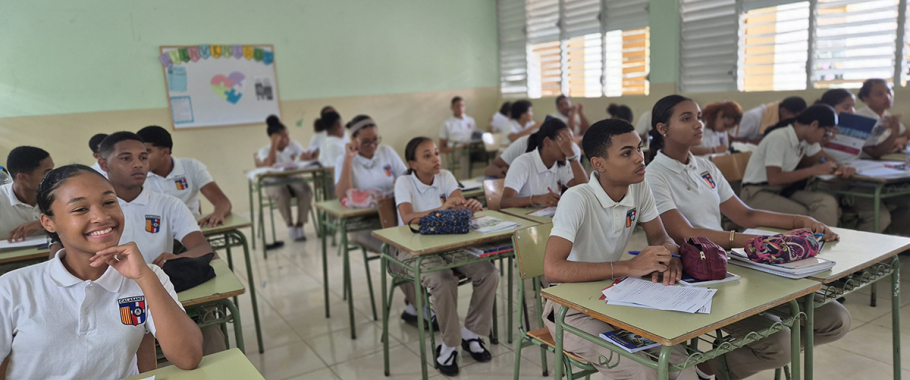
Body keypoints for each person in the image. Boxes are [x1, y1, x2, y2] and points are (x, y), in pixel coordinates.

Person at [645, 94, 850, 379]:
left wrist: (799, 221)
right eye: (686, 118)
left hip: (730, 262)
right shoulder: (653, 175)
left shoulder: (706, 166)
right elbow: (687, 235)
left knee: (835, 320)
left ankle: (728, 356)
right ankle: (704, 369)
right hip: (695, 272)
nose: (698, 124)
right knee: (778, 343)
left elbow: (746, 216)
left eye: (699, 117)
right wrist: (756, 242)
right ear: (662, 128)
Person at [0, 164, 203, 379]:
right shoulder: (13, 288)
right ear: (48, 223)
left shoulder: (148, 276)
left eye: (109, 203)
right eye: (80, 209)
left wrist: (145, 277)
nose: (101, 217)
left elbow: (188, 357)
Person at [542, 119, 694, 380]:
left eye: (639, 148)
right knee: (644, 372)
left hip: (615, 297)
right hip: (570, 309)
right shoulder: (577, 199)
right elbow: (552, 270)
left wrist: (672, 254)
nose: (640, 158)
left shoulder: (639, 187)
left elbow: (659, 235)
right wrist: (628, 267)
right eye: (627, 153)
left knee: (684, 366)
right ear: (599, 164)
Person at [394, 137, 493, 376]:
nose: (436, 159)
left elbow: (456, 205)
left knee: (488, 273)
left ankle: (471, 332)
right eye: (427, 155)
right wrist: (443, 208)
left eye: (436, 153)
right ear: (413, 163)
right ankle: (449, 344)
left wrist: (467, 206)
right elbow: (408, 218)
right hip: (411, 248)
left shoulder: (446, 176)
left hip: (449, 243)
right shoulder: (404, 182)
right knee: (442, 280)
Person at [332, 115, 432, 328]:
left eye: (375, 140)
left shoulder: (386, 152)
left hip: (395, 220)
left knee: (415, 245)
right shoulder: (345, 158)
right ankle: (420, 305)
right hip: (365, 226)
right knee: (395, 251)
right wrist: (350, 159)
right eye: (366, 142)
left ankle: (414, 306)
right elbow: (342, 195)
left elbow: (408, 178)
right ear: (354, 139)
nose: (373, 146)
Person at [816, 88, 910, 235]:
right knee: (880, 217)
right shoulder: (818, 128)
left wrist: (893, 134)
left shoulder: (855, 126)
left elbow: (875, 152)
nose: (852, 111)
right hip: (831, 183)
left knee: (895, 210)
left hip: (856, 181)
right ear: (829, 108)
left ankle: (887, 246)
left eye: (853, 106)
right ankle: (855, 253)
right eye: (846, 107)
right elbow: (815, 156)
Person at [739, 105, 848, 226]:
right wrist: (814, 170)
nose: (826, 137)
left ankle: (825, 240)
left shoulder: (806, 140)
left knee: (827, 202)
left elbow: (826, 158)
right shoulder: (779, 138)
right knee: (803, 216)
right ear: (814, 125)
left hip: (782, 190)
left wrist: (841, 166)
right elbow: (774, 178)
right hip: (757, 193)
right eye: (826, 132)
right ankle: (814, 241)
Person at [137, 126, 232, 228]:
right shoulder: (136, 173)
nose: (141, 158)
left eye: (147, 152)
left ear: (165, 152)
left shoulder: (191, 167)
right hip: (154, 232)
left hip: (189, 229)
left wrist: (218, 213)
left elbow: (222, 201)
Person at [500, 119, 587, 208]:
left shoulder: (562, 164)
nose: (568, 147)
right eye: (563, 142)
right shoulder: (523, 163)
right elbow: (505, 202)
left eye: (569, 143)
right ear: (547, 142)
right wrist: (536, 199)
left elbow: (584, 189)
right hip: (525, 219)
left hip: (548, 219)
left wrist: (572, 155)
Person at [256, 115, 314, 241]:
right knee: (281, 194)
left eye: (288, 135)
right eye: (284, 137)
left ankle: (300, 225)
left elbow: (304, 157)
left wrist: (307, 157)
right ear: (273, 138)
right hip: (273, 180)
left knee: (306, 191)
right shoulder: (265, 150)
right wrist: (274, 145)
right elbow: (270, 164)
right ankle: (290, 225)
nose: (288, 139)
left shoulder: (293, 145)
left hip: (292, 177)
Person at [2, 146, 53, 242]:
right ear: (23, 178)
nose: (53, 177)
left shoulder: (58, 192)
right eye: (47, 172)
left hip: (55, 253)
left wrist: (42, 223)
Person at [855, 78, 909, 158]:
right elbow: (874, 152)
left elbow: (907, 135)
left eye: (889, 92)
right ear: (866, 99)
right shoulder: (860, 118)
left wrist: (897, 143)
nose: (887, 97)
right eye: (879, 94)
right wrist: (896, 139)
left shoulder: (886, 115)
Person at [732, 96, 807, 144]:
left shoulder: (781, 118)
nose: (795, 122)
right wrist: (763, 143)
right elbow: (731, 139)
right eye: (795, 117)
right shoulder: (753, 117)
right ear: (783, 111)